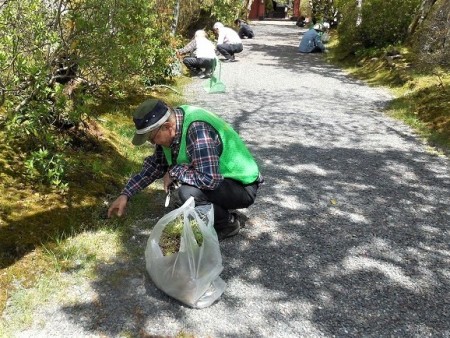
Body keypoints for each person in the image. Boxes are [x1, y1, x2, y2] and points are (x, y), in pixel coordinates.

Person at [107, 99, 263, 240]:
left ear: (167, 127)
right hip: (221, 180)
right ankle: (211, 211)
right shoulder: (173, 128)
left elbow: (210, 180)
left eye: (152, 138)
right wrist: (125, 194)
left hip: (242, 185)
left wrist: (174, 171)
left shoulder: (197, 130)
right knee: (187, 192)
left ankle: (227, 224)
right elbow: (154, 167)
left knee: (188, 193)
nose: (153, 143)